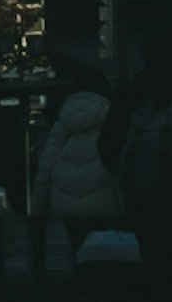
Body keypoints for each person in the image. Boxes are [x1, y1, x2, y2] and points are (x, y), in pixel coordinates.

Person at [31, 81, 125, 277]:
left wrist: (38, 210)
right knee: (109, 259)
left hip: (67, 202)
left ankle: (82, 291)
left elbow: (46, 168)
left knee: (78, 251)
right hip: (104, 202)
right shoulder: (111, 118)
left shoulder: (64, 122)